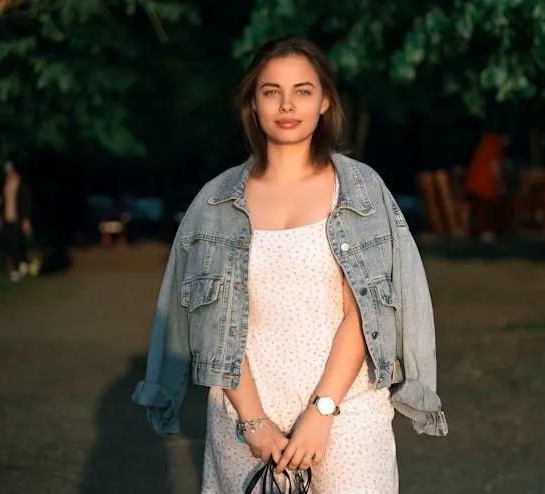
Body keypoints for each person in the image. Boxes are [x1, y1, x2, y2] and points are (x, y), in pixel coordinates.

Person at [133, 36, 446, 493]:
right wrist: (253, 421)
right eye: (270, 91)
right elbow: (209, 318)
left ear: (324, 102)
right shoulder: (215, 202)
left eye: (302, 90)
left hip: (347, 409)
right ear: (253, 103)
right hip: (244, 413)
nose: (287, 104)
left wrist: (322, 413)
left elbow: (368, 309)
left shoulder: (361, 191)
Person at [463, 131, 512, 242]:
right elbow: (495, 166)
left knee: (481, 207)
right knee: (487, 206)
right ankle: (485, 232)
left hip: (475, 182)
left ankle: (480, 231)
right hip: (483, 184)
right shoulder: (493, 143)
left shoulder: (487, 141)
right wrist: (501, 182)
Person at [0, 161, 33, 281]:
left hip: (18, 218)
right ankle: (19, 266)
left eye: (10, 172)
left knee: (18, 243)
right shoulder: (4, 185)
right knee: (9, 243)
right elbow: (2, 201)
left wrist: (26, 219)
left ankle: (21, 266)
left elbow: (26, 202)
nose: (8, 174)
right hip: (7, 218)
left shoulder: (22, 185)